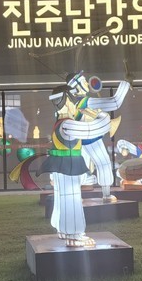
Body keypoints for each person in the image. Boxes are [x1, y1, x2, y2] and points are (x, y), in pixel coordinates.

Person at [39, 84, 112, 248]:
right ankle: (74, 235)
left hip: (63, 167)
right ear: (66, 101)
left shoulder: (60, 123)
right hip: (68, 168)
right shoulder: (67, 124)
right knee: (71, 200)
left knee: (63, 199)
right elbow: (95, 129)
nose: (75, 106)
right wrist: (101, 115)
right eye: (73, 102)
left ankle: (64, 230)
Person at [66, 71, 130, 203]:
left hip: (81, 140)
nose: (86, 83)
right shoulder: (85, 101)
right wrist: (126, 83)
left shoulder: (74, 102)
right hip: (90, 139)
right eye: (83, 81)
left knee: (81, 168)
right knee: (103, 163)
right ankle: (106, 195)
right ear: (76, 87)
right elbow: (114, 102)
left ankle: (76, 196)